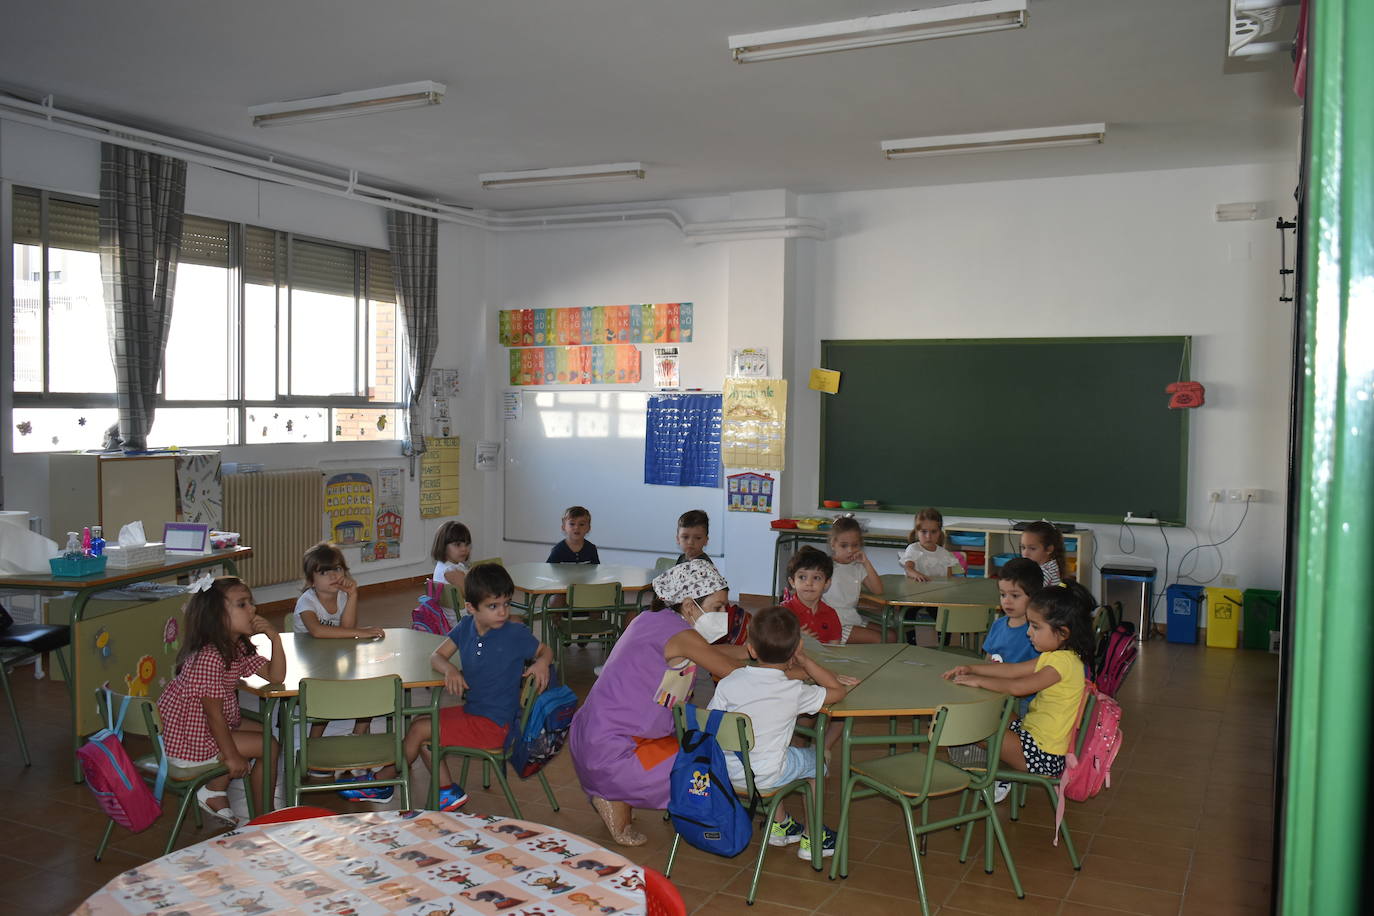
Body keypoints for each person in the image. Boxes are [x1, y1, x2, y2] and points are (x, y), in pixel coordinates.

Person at [340, 564, 553, 809]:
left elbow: (544, 650)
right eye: (493, 606)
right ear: (471, 608)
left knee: (420, 729)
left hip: (497, 724)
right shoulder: (466, 627)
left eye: (506, 603)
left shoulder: (514, 633)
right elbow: (436, 656)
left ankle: (382, 783)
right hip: (476, 712)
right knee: (422, 726)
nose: (503, 612)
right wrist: (450, 669)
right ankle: (445, 791)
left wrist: (543, 663)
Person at [569, 559, 746, 846]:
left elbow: (710, 653)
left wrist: (751, 650)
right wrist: (785, 669)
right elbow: (728, 669)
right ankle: (613, 794)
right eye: (717, 607)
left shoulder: (654, 621)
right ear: (689, 606)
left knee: (688, 752)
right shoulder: (680, 635)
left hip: (594, 738)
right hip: (614, 750)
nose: (724, 614)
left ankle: (614, 792)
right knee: (700, 766)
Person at [709, 606, 856, 859]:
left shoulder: (728, 683)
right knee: (817, 764)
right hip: (765, 775)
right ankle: (813, 838)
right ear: (794, 650)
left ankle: (781, 825)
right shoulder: (794, 690)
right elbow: (837, 691)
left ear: (751, 649)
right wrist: (806, 661)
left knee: (770, 752)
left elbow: (711, 724)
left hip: (723, 772)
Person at [942, 581, 1095, 802]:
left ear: (1063, 632)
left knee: (974, 727)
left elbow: (1018, 687)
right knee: (991, 717)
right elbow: (1013, 670)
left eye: (1035, 627)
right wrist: (973, 668)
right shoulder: (1057, 655)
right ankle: (989, 763)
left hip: (1043, 754)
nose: (1029, 633)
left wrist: (978, 680)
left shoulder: (1064, 663)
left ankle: (988, 771)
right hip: (1033, 738)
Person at [156, 576, 285, 825]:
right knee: (268, 745)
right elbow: (213, 715)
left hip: (203, 726)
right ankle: (261, 815)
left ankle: (220, 791)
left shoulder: (234, 647)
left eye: (251, 602)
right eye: (242, 604)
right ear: (217, 616)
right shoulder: (210, 657)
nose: (253, 609)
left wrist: (274, 639)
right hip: (191, 740)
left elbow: (275, 676)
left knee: (266, 735)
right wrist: (233, 756)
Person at [293, 542, 384, 751]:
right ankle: (312, 745)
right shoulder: (307, 601)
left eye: (337, 568)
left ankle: (357, 737)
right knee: (326, 699)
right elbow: (317, 631)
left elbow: (347, 628)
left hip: (333, 660)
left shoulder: (343, 596)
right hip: (310, 667)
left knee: (368, 686)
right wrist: (360, 632)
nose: (333, 575)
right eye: (324, 571)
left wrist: (353, 596)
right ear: (311, 581)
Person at [984, 558, 1043, 716]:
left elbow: (1037, 676)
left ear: (1034, 596)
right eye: (1003, 595)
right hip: (997, 693)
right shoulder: (998, 625)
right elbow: (989, 660)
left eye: (1015, 596)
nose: (1007, 601)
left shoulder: (1039, 633)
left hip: (1025, 701)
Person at [823, 516, 887, 643]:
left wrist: (866, 562)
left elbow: (878, 590)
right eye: (844, 546)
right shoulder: (825, 566)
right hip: (834, 624)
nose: (850, 550)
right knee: (878, 639)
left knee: (890, 635)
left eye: (855, 545)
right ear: (833, 544)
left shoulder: (858, 567)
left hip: (851, 619)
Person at [780, 546, 845, 645]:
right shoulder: (783, 612)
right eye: (802, 577)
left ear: (826, 583)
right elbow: (775, 643)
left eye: (816, 578)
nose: (809, 583)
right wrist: (795, 638)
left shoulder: (831, 614)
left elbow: (834, 647)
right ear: (792, 582)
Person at [899, 508, 964, 581]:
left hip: (939, 591)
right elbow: (908, 569)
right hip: (917, 590)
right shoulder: (913, 549)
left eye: (933, 532)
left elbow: (949, 579)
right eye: (924, 532)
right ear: (917, 532)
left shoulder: (944, 553)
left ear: (939, 532)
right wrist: (917, 575)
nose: (928, 536)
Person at [1020, 521, 1066, 586]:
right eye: (1023, 547)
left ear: (1049, 549)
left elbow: (1030, 593)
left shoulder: (1045, 572)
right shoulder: (1048, 564)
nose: (1025, 554)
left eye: (1032, 548)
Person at [432, 521, 473, 593]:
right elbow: (470, 595)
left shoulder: (444, 565)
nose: (464, 549)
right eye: (457, 544)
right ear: (443, 546)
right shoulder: (451, 571)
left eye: (467, 544)